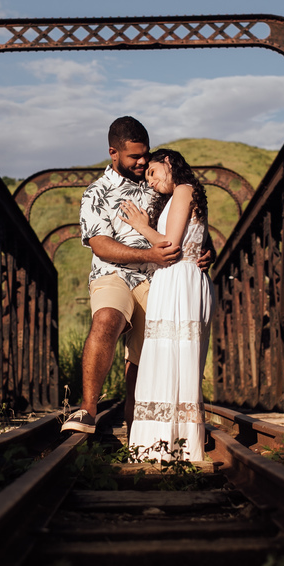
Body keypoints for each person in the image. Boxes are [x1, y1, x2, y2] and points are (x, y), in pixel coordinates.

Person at [61, 116, 179, 434]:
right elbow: (100, 245)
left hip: (156, 278)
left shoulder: (158, 184)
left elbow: (186, 216)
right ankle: (87, 409)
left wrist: (203, 249)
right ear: (113, 153)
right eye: (134, 156)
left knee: (152, 344)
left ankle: (136, 418)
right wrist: (149, 254)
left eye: (146, 154)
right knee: (106, 319)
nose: (143, 162)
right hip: (113, 273)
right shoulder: (95, 193)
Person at [117, 149, 214, 461]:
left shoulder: (184, 189)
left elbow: (170, 246)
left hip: (179, 282)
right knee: (172, 360)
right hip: (176, 282)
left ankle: (165, 446)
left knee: (172, 359)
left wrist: (141, 224)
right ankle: (173, 445)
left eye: (153, 172)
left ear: (169, 162)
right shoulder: (184, 194)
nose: (150, 181)